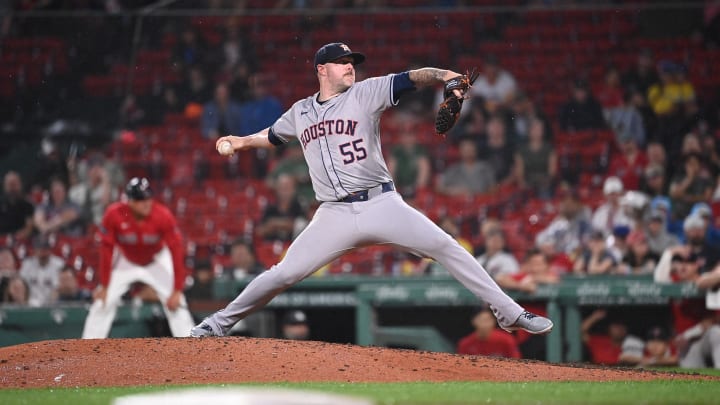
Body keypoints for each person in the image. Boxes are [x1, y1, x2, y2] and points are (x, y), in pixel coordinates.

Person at [191, 43, 553, 337]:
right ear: (321, 70)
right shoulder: (300, 112)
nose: (350, 66)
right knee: (283, 274)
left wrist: (446, 76)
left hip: (381, 203)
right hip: (332, 213)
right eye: (341, 62)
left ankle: (509, 312)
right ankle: (217, 324)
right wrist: (241, 142)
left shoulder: (367, 92)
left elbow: (414, 77)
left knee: (445, 246)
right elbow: (272, 136)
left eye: (351, 62)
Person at [81, 177, 195, 338]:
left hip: (156, 260)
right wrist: (105, 285)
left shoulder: (162, 215)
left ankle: (192, 345)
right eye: (141, 199)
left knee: (178, 302)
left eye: (148, 197)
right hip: (126, 260)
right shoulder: (114, 214)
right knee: (102, 301)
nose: (147, 202)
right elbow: (106, 250)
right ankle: (87, 347)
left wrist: (176, 289)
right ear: (130, 201)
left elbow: (176, 250)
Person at [256, 174, 306, 242]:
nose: (284, 191)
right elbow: (260, 231)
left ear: (294, 190)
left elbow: (302, 226)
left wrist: (275, 224)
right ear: (277, 189)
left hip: (293, 245)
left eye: (287, 188)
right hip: (272, 246)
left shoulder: (299, 206)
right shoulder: (270, 208)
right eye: (282, 188)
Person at [457, 306, 521, 358]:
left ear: (494, 321)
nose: (484, 324)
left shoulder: (506, 340)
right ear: (473, 321)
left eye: (487, 320)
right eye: (481, 320)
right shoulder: (466, 344)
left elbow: (516, 362)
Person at [19, 236, 65, 307]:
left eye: (45, 249)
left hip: (52, 304)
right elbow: (22, 285)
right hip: (29, 304)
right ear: (35, 250)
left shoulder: (59, 264)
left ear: (50, 250)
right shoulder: (27, 264)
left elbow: (59, 287)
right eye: (40, 249)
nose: (43, 253)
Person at [0, 171, 35, 241]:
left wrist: (14, 238)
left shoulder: (27, 205)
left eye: (15, 184)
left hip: (21, 242)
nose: (12, 188)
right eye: (10, 184)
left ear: (20, 184)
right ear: (4, 186)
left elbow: (29, 228)